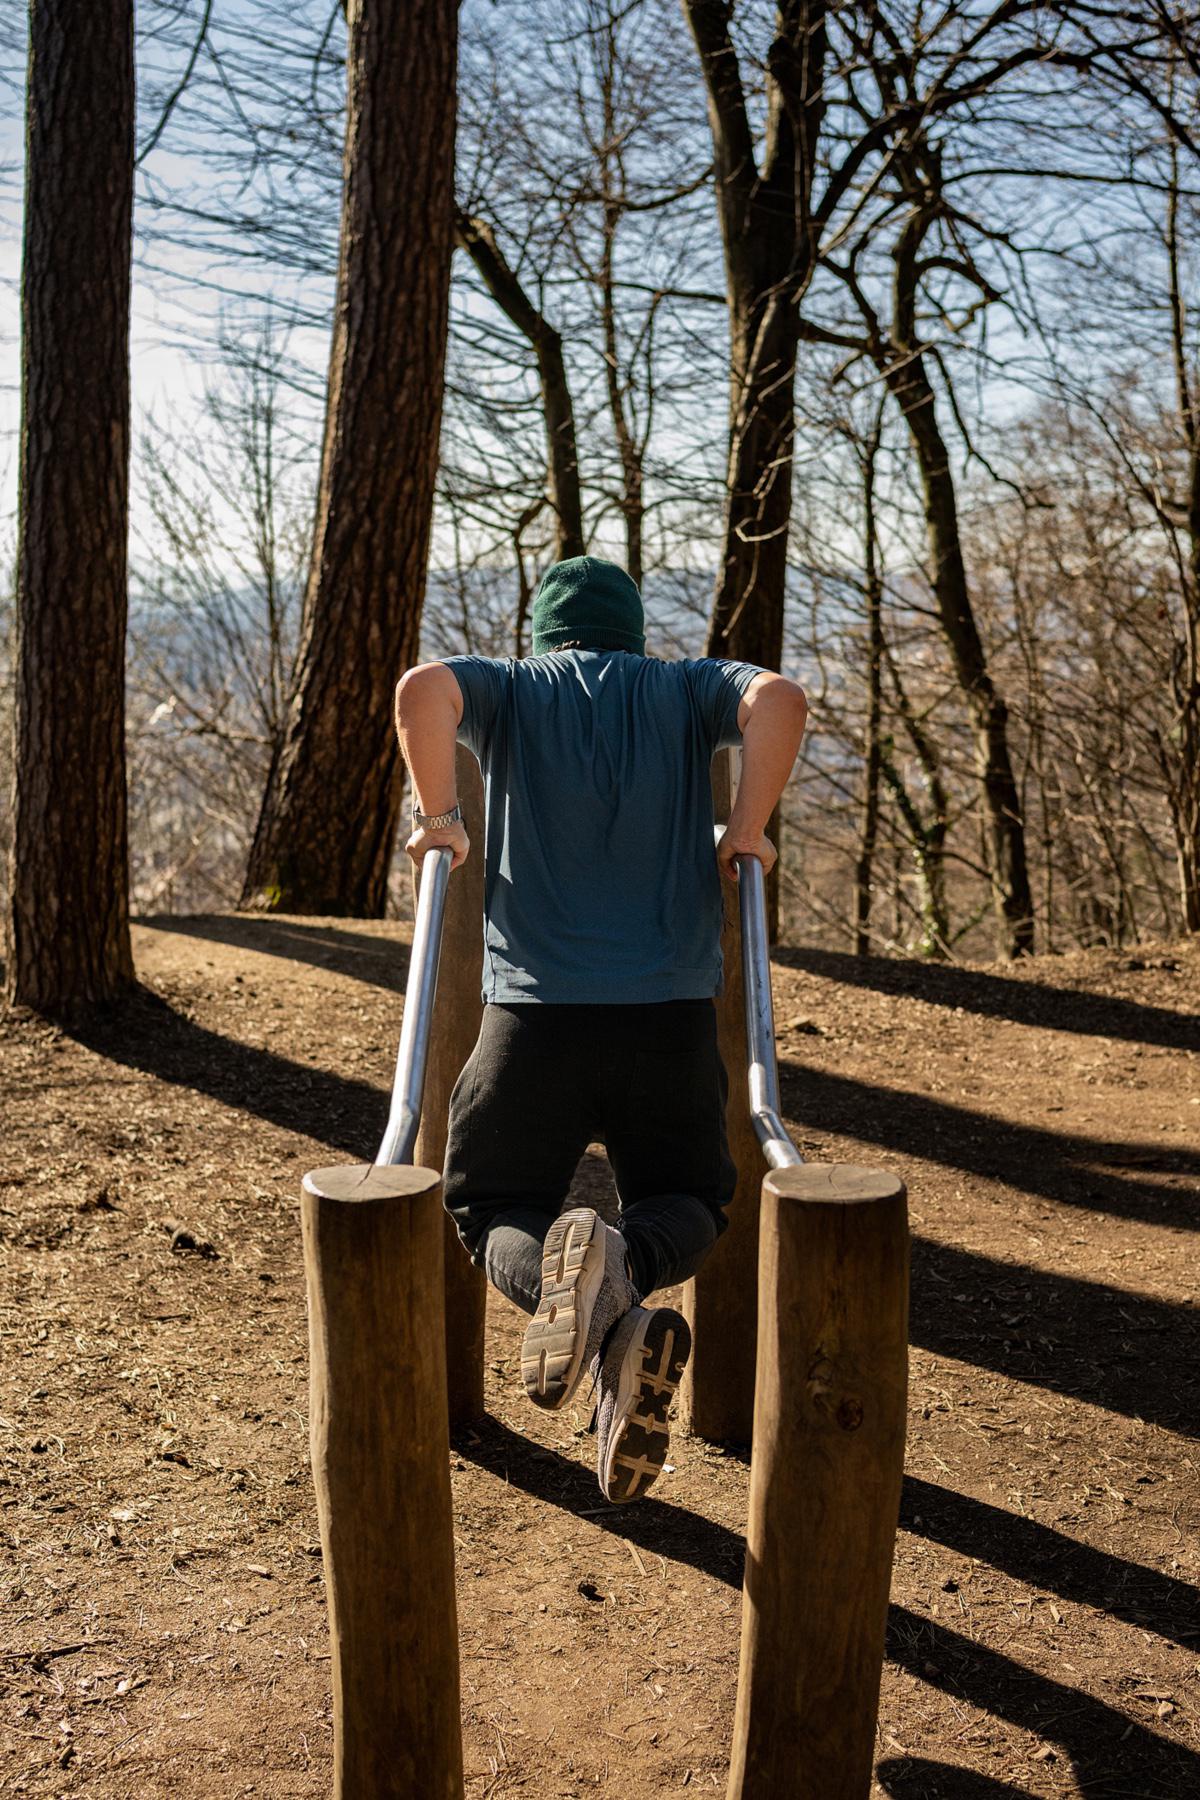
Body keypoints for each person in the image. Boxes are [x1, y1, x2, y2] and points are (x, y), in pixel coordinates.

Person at [394, 556, 807, 1504]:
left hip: (531, 1019)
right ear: (631, 630)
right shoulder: (684, 688)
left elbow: (422, 692)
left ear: (543, 630)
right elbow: (778, 698)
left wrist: (442, 818)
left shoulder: (510, 688)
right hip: (665, 1018)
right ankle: (623, 1290)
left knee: (490, 1204)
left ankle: (582, 1292)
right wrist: (746, 827)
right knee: (692, 1202)